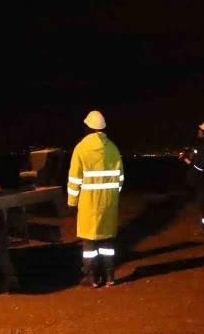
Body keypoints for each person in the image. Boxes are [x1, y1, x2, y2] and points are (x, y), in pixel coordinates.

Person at [67, 110, 124, 288]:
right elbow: (120, 178)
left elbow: (75, 179)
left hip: (88, 205)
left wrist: (72, 201)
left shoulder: (81, 148)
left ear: (87, 127)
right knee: (107, 241)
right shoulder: (113, 148)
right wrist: (112, 196)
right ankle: (109, 277)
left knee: (89, 242)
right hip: (108, 203)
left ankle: (92, 278)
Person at [179, 121, 204, 235]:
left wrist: (184, 158)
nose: (199, 131)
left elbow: (197, 167)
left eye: (201, 130)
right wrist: (190, 158)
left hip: (203, 182)